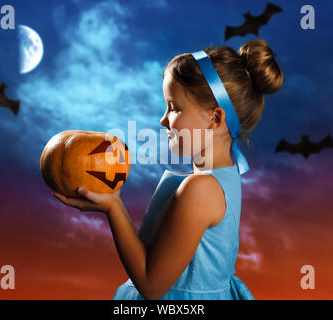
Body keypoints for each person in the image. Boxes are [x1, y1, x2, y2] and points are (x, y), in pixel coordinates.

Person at [53, 39, 283, 300]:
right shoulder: (221, 176)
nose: (163, 119)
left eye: (174, 108)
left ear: (215, 118)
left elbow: (152, 286)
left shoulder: (202, 189)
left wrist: (113, 208)